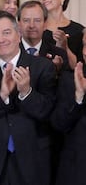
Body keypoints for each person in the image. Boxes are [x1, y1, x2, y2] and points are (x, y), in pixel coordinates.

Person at [0, 11, 57, 185]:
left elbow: (48, 113)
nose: (0, 39)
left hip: (32, 160)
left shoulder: (43, 67)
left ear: (18, 35)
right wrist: (2, 95)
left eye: (6, 33)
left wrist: (26, 92)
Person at [51, 28, 86, 185]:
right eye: (85, 45)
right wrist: (78, 97)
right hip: (76, 172)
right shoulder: (69, 79)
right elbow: (59, 124)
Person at [37, 0, 84, 69]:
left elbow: (79, 67)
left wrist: (65, 47)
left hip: (70, 81)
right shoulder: (36, 29)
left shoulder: (78, 30)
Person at [17, 0, 68, 73]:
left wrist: (55, 70)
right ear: (19, 24)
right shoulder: (8, 52)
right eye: (26, 20)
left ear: (45, 24)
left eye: (37, 20)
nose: (32, 25)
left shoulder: (59, 54)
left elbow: (65, 82)